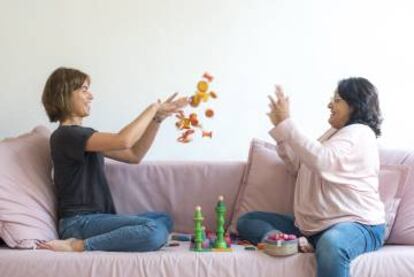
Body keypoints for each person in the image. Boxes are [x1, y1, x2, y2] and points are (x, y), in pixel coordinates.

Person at [237, 78, 385, 277]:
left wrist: (287, 124)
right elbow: (297, 165)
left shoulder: (360, 133)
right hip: (313, 228)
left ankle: (315, 243)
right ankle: (284, 242)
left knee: (333, 244)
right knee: (249, 220)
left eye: (338, 100)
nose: (330, 104)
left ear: (355, 104)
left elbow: (322, 160)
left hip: (357, 225)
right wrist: (282, 130)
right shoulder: (335, 134)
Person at [37, 67, 188, 252]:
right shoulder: (65, 136)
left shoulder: (85, 138)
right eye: (84, 89)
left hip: (97, 219)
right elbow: (123, 140)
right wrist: (153, 108)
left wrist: (157, 119)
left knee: (163, 219)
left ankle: (136, 238)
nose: (90, 96)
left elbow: (134, 155)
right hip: (78, 223)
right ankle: (77, 245)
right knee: (154, 229)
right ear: (65, 94)